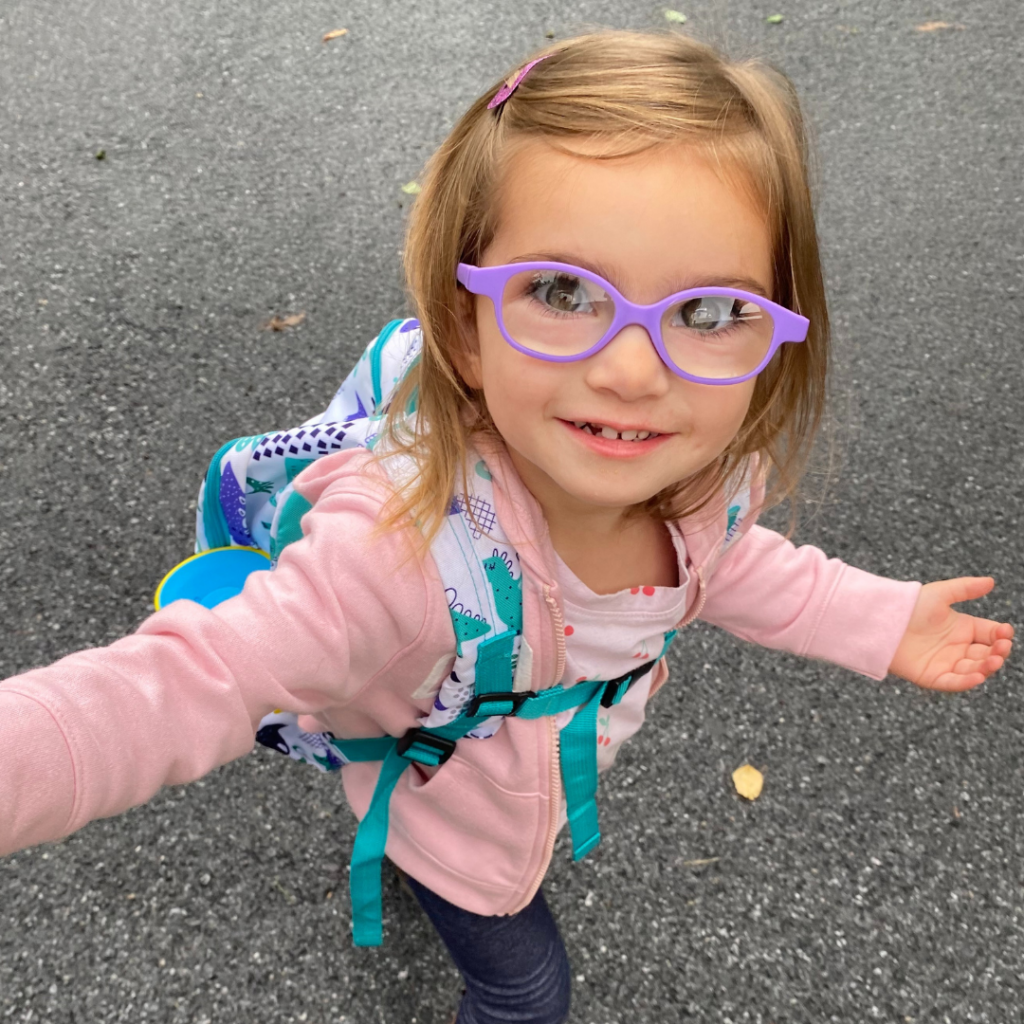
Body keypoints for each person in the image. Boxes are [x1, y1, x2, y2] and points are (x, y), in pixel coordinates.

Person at [0, 30, 1014, 1024]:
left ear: (775, 343)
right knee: (527, 992)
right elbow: (175, 687)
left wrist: (882, 620)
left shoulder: (703, 475)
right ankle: (412, 854)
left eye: (709, 311)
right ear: (461, 327)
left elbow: (738, 564)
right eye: (563, 292)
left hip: (492, 763)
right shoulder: (395, 554)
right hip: (465, 827)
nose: (632, 368)